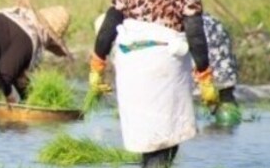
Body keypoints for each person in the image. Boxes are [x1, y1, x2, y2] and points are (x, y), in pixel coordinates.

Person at [88, 0, 219, 168]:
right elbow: (195, 33)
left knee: (146, 135)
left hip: (130, 65)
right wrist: (205, 77)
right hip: (164, 66)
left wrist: (97, 66)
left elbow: (109, 24)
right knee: (167, 137)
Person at [93, 10, 242, 126]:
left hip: (191, 38)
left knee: (169, 103)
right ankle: (227, 128)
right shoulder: (139, 21)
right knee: (223, 100)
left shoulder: (129, 41)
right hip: (205, 30)